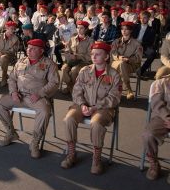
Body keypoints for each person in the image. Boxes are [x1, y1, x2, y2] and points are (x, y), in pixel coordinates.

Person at [61, 42, 121, 175]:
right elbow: (76, 91)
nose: (94, 56)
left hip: (103, 108)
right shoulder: (85, 71)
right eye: (92, 54)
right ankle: (71, 154)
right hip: (82, 105)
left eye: (98, 54)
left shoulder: (114, 74)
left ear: (106, 57)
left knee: (97, 124)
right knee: (69, 119)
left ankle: (96, 159)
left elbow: (114, 98)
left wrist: (95, 107)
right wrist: (82, 104)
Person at [0, 39, 59, 158]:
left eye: (33, 48)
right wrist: (13, 92)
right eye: (28, 48)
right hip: (19, 96)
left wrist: (40, 93)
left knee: (45, 111)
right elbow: (12, 79)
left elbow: (54, 83)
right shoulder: (21, 61)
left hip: (36, 98)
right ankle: (11, 133)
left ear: (41, 51)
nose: (29, 50)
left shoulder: (49, 64)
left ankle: (35, 142)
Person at [141, 76, 170, 182]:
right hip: (163, 117)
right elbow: (156, 104)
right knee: (148, 135)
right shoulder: (160, 83)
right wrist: (168, 117)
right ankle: (154, 163)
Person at [111, 21, 142, 100]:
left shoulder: (136, 43)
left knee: (121, 65)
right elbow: (112, 54)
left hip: (130, 65)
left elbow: (138, 58)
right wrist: (120, 58)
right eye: (122, 29)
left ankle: (115, 90)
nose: (124, 31)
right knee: (120, 64)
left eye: (126, 29)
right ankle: (128, 89)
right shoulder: (116, 41)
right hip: (116, 63)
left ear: (131, 31)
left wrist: (128, 60)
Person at [61, 21, 94, 94]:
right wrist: (67, 53)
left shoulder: (90, 41)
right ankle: (71, 87)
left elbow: (90, 56)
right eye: (78, 28)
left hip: (84, 62)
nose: (79, 29)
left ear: (85, 30)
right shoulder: (72, 38)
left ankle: (72, 89)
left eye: (81, 28)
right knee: (64, 69)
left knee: (74, 70)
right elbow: (67, 49)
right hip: (71, 61)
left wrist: (77, 56)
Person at [0, 21, 20, 86]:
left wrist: (2, 53)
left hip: (10, 57)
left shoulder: (15, 39)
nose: (13, 30)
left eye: (14, 29)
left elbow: (13, 50)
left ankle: (4, 77)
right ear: (6, 28)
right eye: (11, 28)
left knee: (3, 58)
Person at [133, 11, 156, 78]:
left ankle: (141, 70)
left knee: (152, 54)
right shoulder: (135, 26)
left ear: (148, 19)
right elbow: (131, 36)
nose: (143, 20)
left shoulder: (151, 30)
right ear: (139, 18)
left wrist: (141, 44)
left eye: (145, 18)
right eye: (141, 18)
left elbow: (150, 42)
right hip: (133, 44)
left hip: (144, 46)